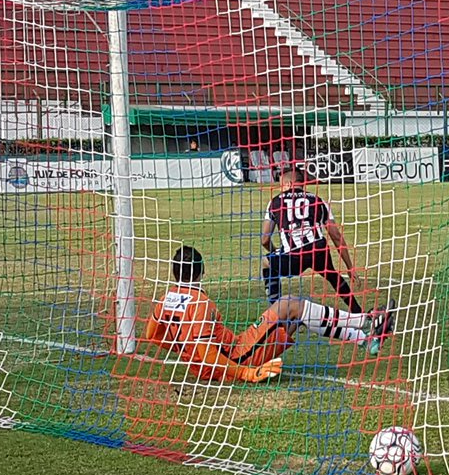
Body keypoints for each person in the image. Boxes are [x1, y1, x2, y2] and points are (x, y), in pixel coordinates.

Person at [146, 246, 394, 383]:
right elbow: (207, 353)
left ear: (174, 272)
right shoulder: (200, 301)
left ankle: (366, 340)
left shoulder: (165, 299)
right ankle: (367, 320)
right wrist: (245, 372)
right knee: (290, 305)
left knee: (294, 317)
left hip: (215, 363)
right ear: (202, 271)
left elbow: (152, 335)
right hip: (236, 359)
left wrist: (185, 351)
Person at [262, 162, 363, 313]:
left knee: (266, 262)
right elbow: (335, 235)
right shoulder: (318, 200)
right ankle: (357, 311)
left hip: (294, 255)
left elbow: (264, 239)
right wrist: (350, 267)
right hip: (318, 249)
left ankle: (276, 312)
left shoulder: (275, 201)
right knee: (333, 276)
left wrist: (275, 250)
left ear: (289, 183)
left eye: (281, 185)